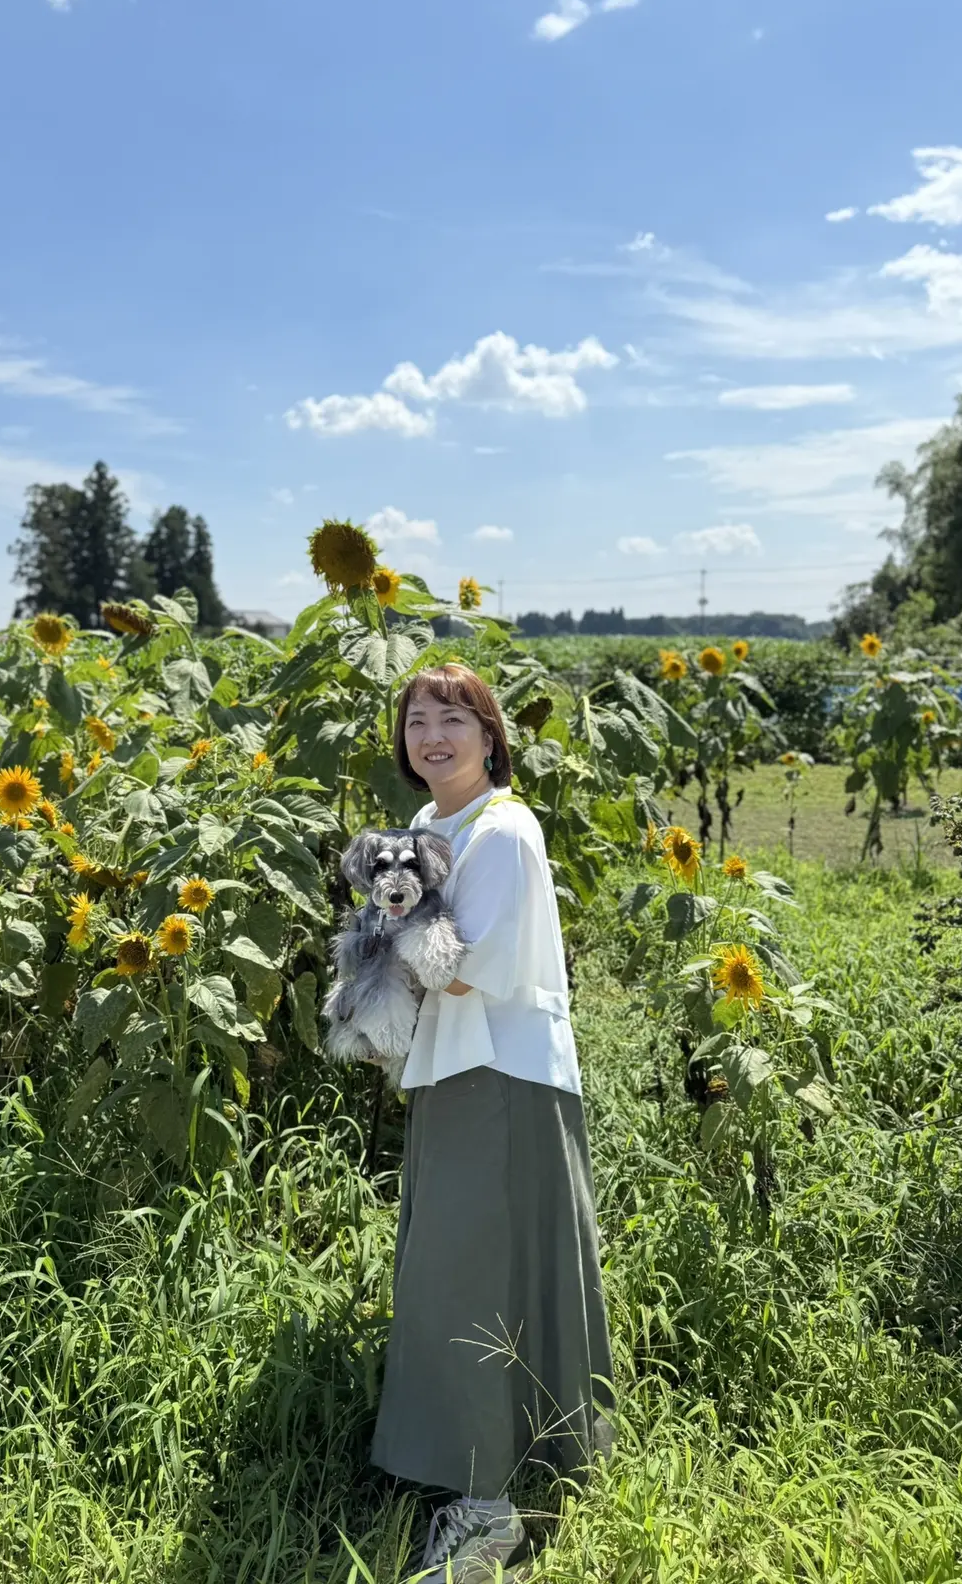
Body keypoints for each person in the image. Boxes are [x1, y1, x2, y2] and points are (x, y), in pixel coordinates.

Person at [367, 663, 614, 1582]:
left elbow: (465, 969)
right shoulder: (429, 829)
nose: (432, 736)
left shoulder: (504, 831)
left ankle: (486, 1510)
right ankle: (514, 1464)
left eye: (452, 720)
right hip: (451, 1072)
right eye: (417, 721)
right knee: (456, 1272)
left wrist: (379, 935)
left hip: (503, 1073)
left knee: (473, 1278)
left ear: (490, 734)